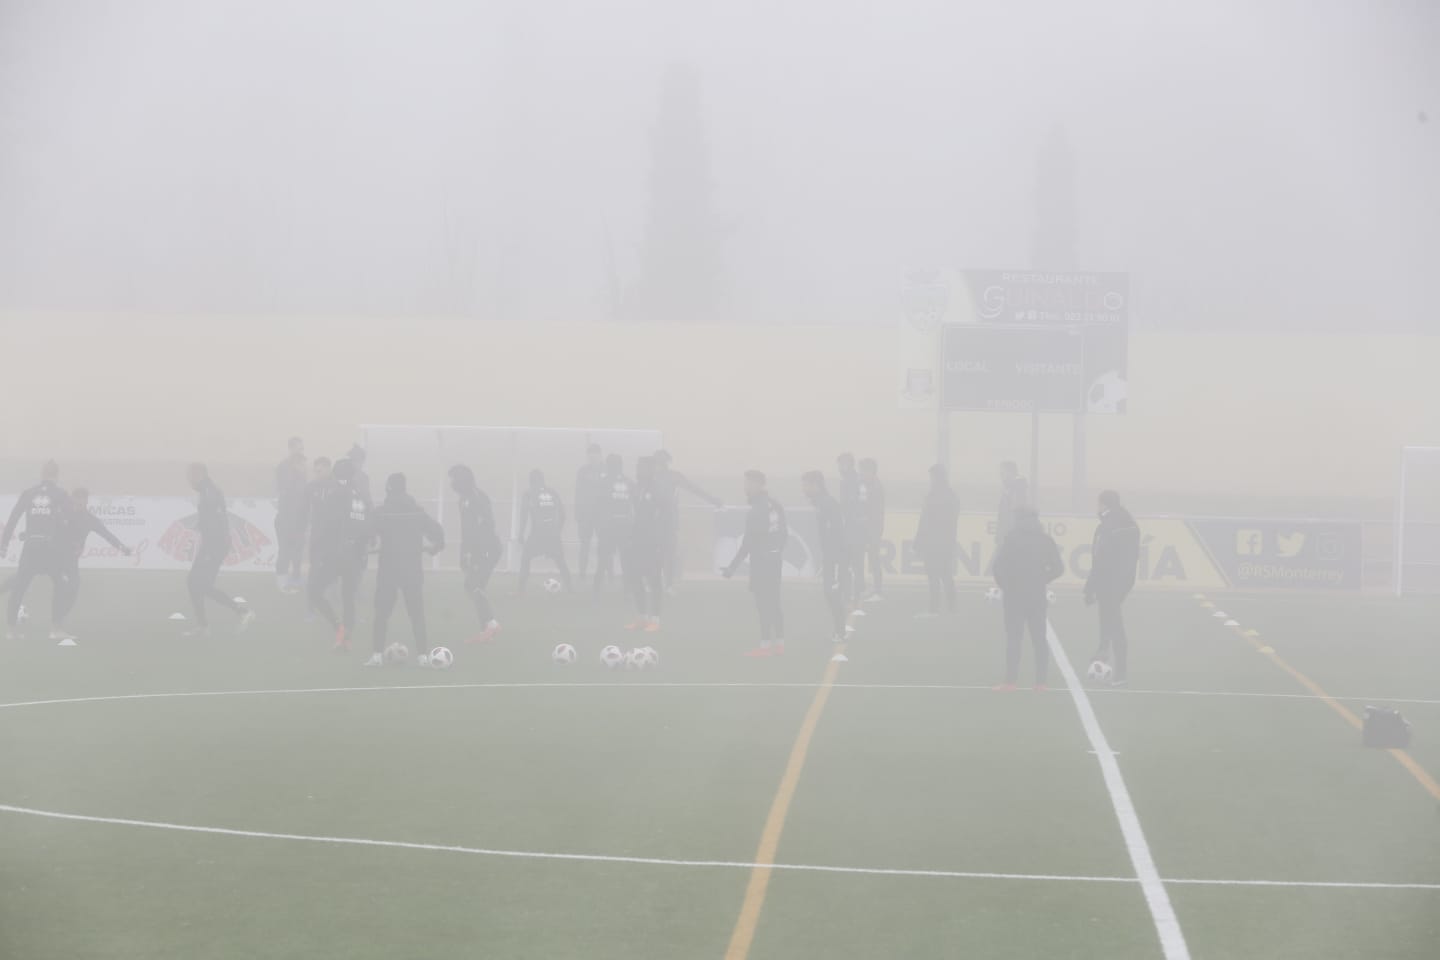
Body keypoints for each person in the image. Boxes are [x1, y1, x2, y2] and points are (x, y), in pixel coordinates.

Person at [364, 473, 444, 667]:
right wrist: (434, 549)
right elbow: (438, 533)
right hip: (412, 569)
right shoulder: (417, 512)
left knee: (381, 614)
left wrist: (370, 544)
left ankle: (376, 656)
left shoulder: (381, 512)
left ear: (388, 488)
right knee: (416, 614)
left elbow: (367, 534)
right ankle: (423, 656)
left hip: (388, 569)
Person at [991, 506, 1063, 692]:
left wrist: (1006, 585)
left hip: (1014, 596)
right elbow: (1058, 568)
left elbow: (998, 566)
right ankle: (1041, 683)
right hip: (1037, 595)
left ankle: (1010, 682)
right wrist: (1042, 579)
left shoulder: (1012, 539)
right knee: (1039, 638)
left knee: (1014, 638)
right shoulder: (1045, 540)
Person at [2, 461, 73, 640]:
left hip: (31, 547)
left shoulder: (28, 493)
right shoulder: (61, 494)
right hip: (49, 548)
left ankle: (11, 631)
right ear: (57, 475)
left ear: (42, 474)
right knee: (61, 584)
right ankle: (55, 629)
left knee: (19, 587)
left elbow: (13, 518)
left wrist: (3, 545)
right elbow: (67, 523)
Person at [49, 487, 132, 640]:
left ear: (86, 501)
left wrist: (122, 548)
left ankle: (58, 622)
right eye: (77, 499)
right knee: (60, 587)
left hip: (71, 561)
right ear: (72, 500)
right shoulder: (62, 514)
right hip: (55, 557)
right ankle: (55, 628)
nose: (80, 502)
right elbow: (51, 530)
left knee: (74, 588)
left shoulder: (90, 519)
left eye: (83, 499)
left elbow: (107, 535)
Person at [308, 459, 371, 652]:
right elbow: (369, 524)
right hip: (356, 556)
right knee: (348, 598)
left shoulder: (336, 494)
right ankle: (346, 636)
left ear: (336, 474)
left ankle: (339, 629)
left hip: (336, 554)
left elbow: (328, 525)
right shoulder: (361, 495)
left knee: (314, 591)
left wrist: (317, 548)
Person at [723, 470, 788, 657]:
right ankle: (780, 643)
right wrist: (777, 552)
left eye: (749, 483)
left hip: (762, 563)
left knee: (763, 604)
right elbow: (784, 533)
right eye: (745, 483)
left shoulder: (756, 511)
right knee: (774, 601)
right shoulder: (775, 505)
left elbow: (748, 544)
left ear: (760, 485)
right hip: (774, 561)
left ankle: (765, 645)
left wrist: (732, 568)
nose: (746, 487)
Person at [184, 463, 254, 637]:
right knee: (200, 585)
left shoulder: (209, 492)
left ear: (199, 474)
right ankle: (208, 624)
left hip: (214, 545)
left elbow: (216, 522)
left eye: (191, 475)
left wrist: (210, 547)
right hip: (213, 544)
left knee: (195, 582)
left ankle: (237, 614)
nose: (189, 479)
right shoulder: (206, 490)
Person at [1084, 490, 1141, 687]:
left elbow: (1101, 559)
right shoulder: (1129, 524)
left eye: (1098, 504)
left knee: (1113, 622)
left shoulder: (1108, 528)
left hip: (1109, 582)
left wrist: (1090, 586)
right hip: (1122, 581)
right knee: (1109, 620)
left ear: (1105, 505)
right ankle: (1102, 654)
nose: (1096, 508)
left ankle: (1119, 672)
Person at [652, 450, 722, 592]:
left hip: (669, 520)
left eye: (662, 462)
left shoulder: (674, 477)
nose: (659, 465)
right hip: (653, 521)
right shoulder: (650, 478)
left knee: (669, 553)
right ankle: (655, 583)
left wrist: (712, 500)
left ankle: (669, 584)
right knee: (654, 553)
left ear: (666, 463)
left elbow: (694, 489)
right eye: (657, 462)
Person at [449, 464, 502, 643]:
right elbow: (466, 530)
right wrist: (464, 553)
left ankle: (491, 625)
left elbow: (488, 523)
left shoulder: (477, 497)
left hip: (487, 548)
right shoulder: (463, 500)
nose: (452, 483)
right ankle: (486, 631)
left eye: (454, 479)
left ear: (463, 480)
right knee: (474, 586)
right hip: (478, 550)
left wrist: (478, 549)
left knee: (473, 585)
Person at [802, 470, 849, 644]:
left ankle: (840, 631)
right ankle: (839, 630)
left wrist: (834, 558)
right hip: (830, 556)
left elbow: (837, 530)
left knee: (832, 592)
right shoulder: (821, 503)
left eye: (806, 485)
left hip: (836, 556)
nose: (804, 489)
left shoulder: (827, 503)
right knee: (829, 592)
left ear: (817, 485)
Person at [914, 464, 960, 618]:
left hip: (941, 543)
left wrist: (922, 539)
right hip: (933, 543)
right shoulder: (934, 495)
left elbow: (947, 521)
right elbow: (924, 520)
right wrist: (919, 540)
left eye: (933, 476)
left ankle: (947, 607)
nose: (931, 479)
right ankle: (938, 608)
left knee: (943, 575)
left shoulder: (947, 496)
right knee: (935, 575)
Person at [516, 469, 572, 594]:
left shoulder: (529, 494)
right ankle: (570, 588)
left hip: (538, 533)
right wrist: (557, 531)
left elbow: (524, 515)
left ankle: (520, 590)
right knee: (561, 561)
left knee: (525, 558)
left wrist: (521, 534)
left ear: (531, 481)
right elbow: (563, 515)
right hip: (553, 533)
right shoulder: (552, 492)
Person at [626, 456, 664, 632]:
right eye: (637, 466)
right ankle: (641, 618)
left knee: (653, 579)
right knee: (635, 578)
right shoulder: (636, 488)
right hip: (636, 540)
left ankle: (655, 620)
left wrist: (660, 540)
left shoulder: (656, 489)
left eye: (642, 467)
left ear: (650, 469)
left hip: (652, 541)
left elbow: (664, 515)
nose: (638, 470)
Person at [300, 456, 333, 621]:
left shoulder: (337, 486)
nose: (318, 473)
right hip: (318, 538)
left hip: (335, 538)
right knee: (314, 573)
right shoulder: (310, 487)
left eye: (321, 470)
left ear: (328, 469)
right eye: (316, 470)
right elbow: (304, 511)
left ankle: (334, 610)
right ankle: (310, 610)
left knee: (336, 574)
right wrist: (302, 530)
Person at [594, 454, 634, 591]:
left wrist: (598, 526)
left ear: (609, 466)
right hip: (624, 527)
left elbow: (598, 505)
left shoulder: (603, 482)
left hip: (609, 526)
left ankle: (596, 592)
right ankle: (627, 592)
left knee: (603, 561)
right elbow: (635, 504)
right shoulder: (629, 482)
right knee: (626, 562)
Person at [274, 437, 307, 593]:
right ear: (291, 448)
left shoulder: (302, 468)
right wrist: (295, 474)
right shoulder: (284, 467)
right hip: (286, 518)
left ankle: (295, 580)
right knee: (285, 550)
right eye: (299, 448)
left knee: (298, 551)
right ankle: (282, 582)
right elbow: (284, 489)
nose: (301, 451)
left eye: (302, 448)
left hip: (299, 518)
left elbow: (304, 493)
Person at [836, 453, 867, 613]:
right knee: (848, 566)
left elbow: (861, 505)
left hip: (855, 532)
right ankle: (849, 598)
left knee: (855, 566)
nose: (841, 467)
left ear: (850, 464)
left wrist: (856, 523)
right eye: (839, 464)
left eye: (843, 464)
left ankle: (855, 598)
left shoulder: (857, 482)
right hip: (849, 530)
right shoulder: (846, 482)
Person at [574, 444, 606, 579]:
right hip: (586, 514)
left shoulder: (607, 470)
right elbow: (578, 492)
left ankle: (605, 574)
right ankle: (582, 574)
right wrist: (577, 511)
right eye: (590, 454)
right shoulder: (582, 471)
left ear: (600, 455)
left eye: (595, 453)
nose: (592, 457)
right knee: (584, 544)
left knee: (605, 545)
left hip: (602, 515)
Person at [858, 457, 886, 601]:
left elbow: (876, 513)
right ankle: (874, 588)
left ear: (872, 471)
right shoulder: (866, 485)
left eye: (863, 471)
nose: (861, 474)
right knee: (870, 558)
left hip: (873, 529)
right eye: (861, 470)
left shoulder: (876, 487)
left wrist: (872, 533)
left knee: (874, 559)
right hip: (867, 529)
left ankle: (878, 592)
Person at [995, 460, 1030, 546]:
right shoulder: (1011, 490)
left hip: (1011, 538)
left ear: (1010, 473)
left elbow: (1013, 515)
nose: (1001, 476)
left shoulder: (1017, 490)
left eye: (1003, 473)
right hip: (1009, 537)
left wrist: (1003, 534)